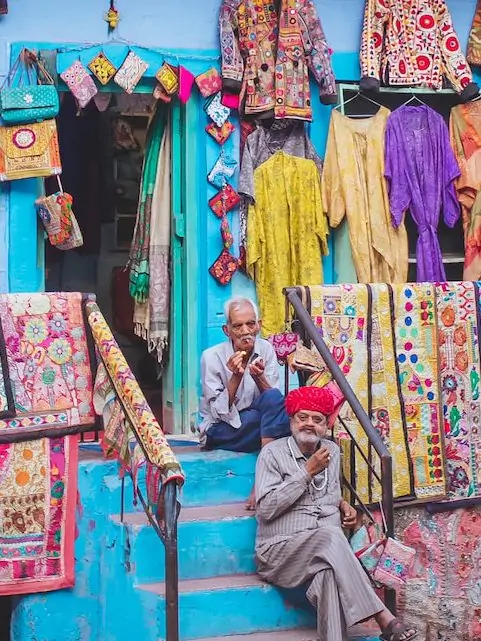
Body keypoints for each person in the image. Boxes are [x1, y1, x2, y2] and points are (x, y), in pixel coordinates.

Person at [255, 385, 418, 641]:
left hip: (321, 552)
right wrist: (307, 472)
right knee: (331, 536)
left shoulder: (331, 451)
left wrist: (342, 504)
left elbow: (327, 497)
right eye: (303, 417)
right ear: (291, 420)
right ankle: (383, 616)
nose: (310, 424)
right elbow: (265, 510)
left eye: (317, 419)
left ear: (326, 426)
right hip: (279, 552)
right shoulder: (271, 454)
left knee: (328, 575)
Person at [199, 296, 291, 508]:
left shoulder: (266, 349)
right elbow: (219, 413)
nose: (245, 331)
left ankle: (261, 479)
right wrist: (236, 377)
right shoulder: (211, 357)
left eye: (250, 324)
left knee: (277, 403)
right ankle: (265, 478)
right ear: (227, 330)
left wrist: (259, 378)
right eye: (237, 326)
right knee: (281, 424)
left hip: (255, 424)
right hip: (222, 430)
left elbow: (273, 400)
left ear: (258, 326)